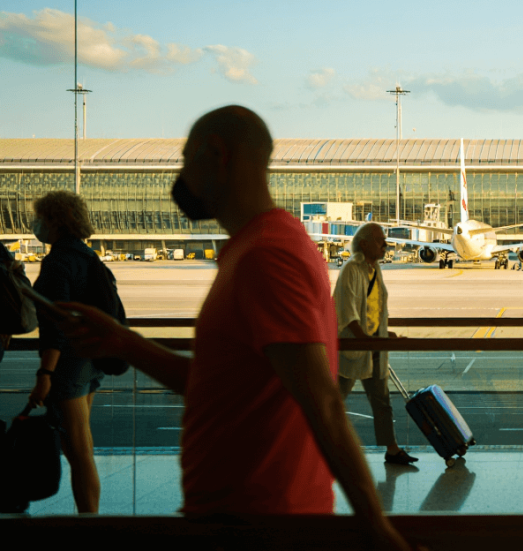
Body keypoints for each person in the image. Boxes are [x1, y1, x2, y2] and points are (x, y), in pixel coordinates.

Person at [57, 106, 414, 550]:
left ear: (216, 153)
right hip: (240, 514)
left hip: (259, 521)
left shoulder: (267, 256)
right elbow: (219, 385)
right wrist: (124, 343)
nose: (180, 177)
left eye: (186, 160)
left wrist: (377, 530)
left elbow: (323, 403)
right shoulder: (259, 247)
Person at [27, 191, 118, 513]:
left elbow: (55, 324)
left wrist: (45, 373)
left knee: (78, 453)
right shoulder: (88, 256)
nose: (35, 224)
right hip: (91, 359)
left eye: (39, 217)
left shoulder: (58, 262)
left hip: (69, 362)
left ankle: (89, 522)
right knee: (81, 445)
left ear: (55, 221)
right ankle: (90, 516)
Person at [334, 222, 418, 466]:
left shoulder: (375, 270)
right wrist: (365, 339)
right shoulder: (351, 269)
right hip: (353, 346)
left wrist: (383, 334)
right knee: (333, 401)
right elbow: (347, 312)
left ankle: (392, 449)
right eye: (380, 240)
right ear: (364, 244)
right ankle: (311, 445)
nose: (385, 244)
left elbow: (374, 309)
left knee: (382, 401)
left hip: (373, 344)